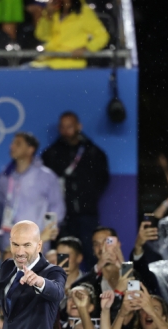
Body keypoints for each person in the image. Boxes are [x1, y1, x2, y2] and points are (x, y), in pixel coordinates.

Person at [42, 112, 110, 268]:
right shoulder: (50, 154)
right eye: (63, 127)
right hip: (63, 219)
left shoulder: (94, 153)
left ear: (79, 126)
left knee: (92, 255)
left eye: (70, 126)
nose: (66, 131)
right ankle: (62, 290)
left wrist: (87, 197)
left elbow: (103, 179)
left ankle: (94, 289)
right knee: (63, 259)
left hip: (87, 215)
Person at [0, 133, 65, 247]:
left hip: (36, 240)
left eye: (18, 144)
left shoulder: (46, 176)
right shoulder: (5, 175)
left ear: (30, 149)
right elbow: (1, 204)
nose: (12, 147)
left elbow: (57, 207)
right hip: (9, 239)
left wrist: (46, 234)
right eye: (12, 143)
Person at [31, 0, 109, 69]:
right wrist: (48, 16)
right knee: (22, 73)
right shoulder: (54, 10)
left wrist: (87, 48)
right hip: (47, 61)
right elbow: (41, 35)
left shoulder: (84, 11)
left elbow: (102, 36)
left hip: (70, 63)